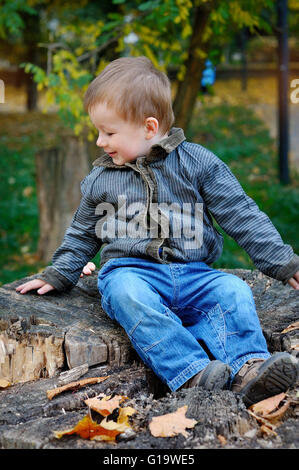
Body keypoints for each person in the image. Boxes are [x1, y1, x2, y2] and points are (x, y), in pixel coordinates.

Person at [16, 56, 299, 407]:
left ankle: (250, 368)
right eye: (98, 132)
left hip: (195, 274)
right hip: (133, 273)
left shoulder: (198, 164)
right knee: (126, 293)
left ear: (149, 128)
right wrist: (60, 272)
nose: (101, 141)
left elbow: (240, 213)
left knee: (234, 290)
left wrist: (283, 262)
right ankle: (193, 372)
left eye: (109, 132)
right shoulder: (103, 179)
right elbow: (81, 232)